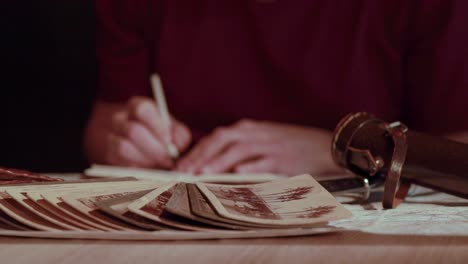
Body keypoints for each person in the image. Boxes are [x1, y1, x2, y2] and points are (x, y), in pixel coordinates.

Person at [85, 0, 468, 177]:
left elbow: (460, 154)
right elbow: (104, 123)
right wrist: (126, 139)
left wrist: (337, 151)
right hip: (181, 211)